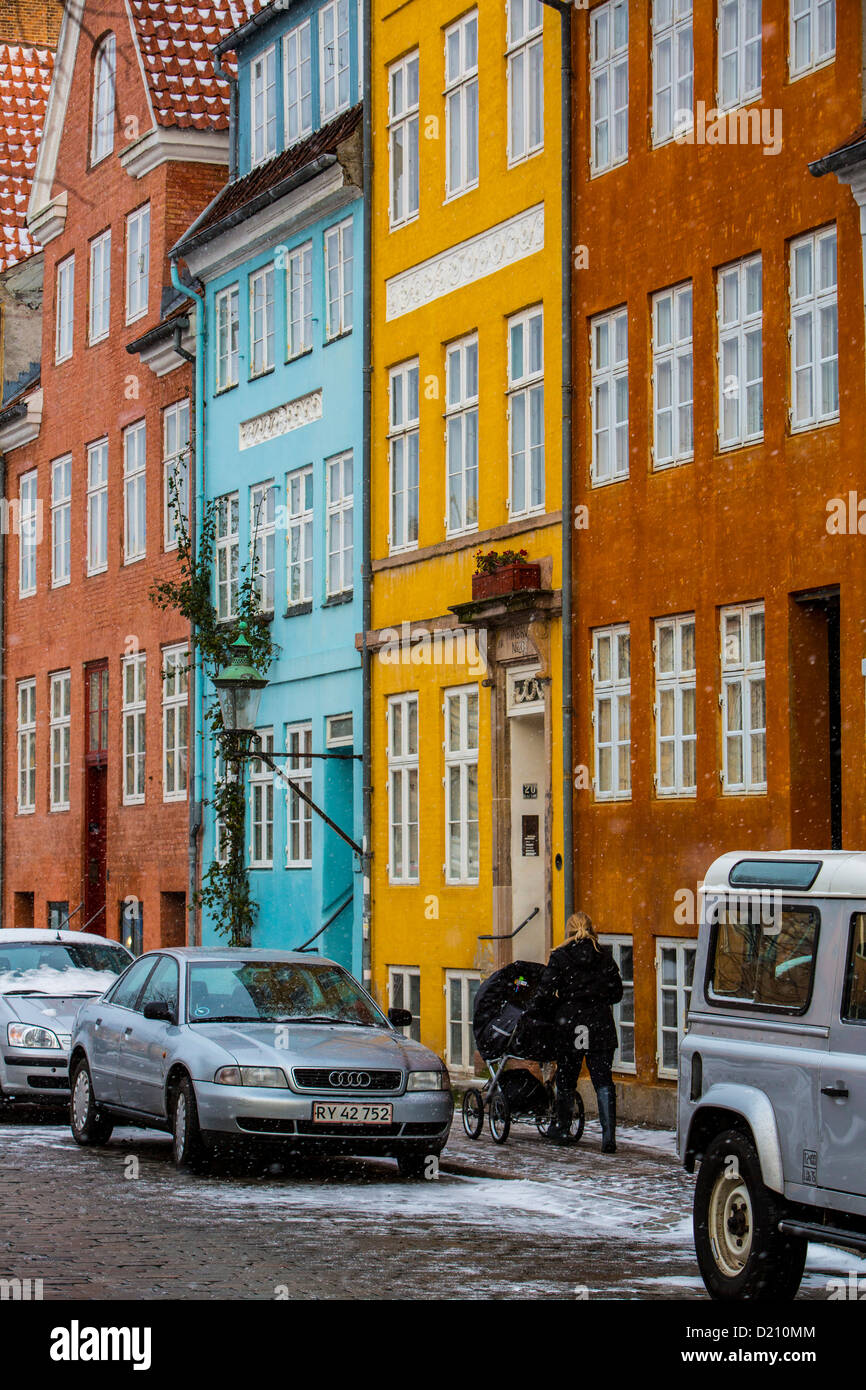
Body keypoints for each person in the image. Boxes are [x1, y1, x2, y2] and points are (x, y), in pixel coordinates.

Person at [531, 911, 623, 1152]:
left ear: (568, 931)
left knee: (567, 1078)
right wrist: (597, 997)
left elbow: (544, 991)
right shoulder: (603, 956)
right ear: (591, 929)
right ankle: (608, 1137)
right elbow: (617, 993)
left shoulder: (560, 956)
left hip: (571, 1025)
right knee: (603, 1081)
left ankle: (562, 1128)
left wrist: (546, 1007)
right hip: (599, 1025)